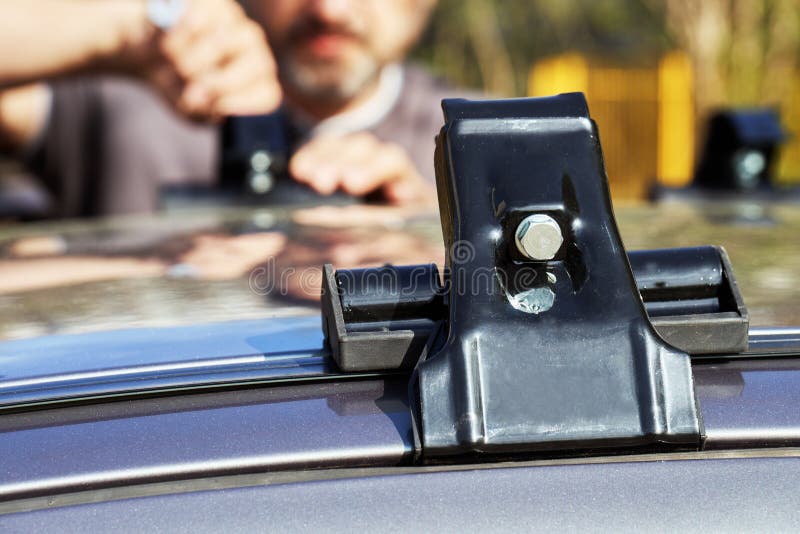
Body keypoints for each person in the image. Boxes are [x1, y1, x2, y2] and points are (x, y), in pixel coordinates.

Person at [0, 0, 458, 217]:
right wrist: (130, 27)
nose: (330, 9)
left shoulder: (474, 139)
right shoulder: (121, 99)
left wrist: (437, 237)